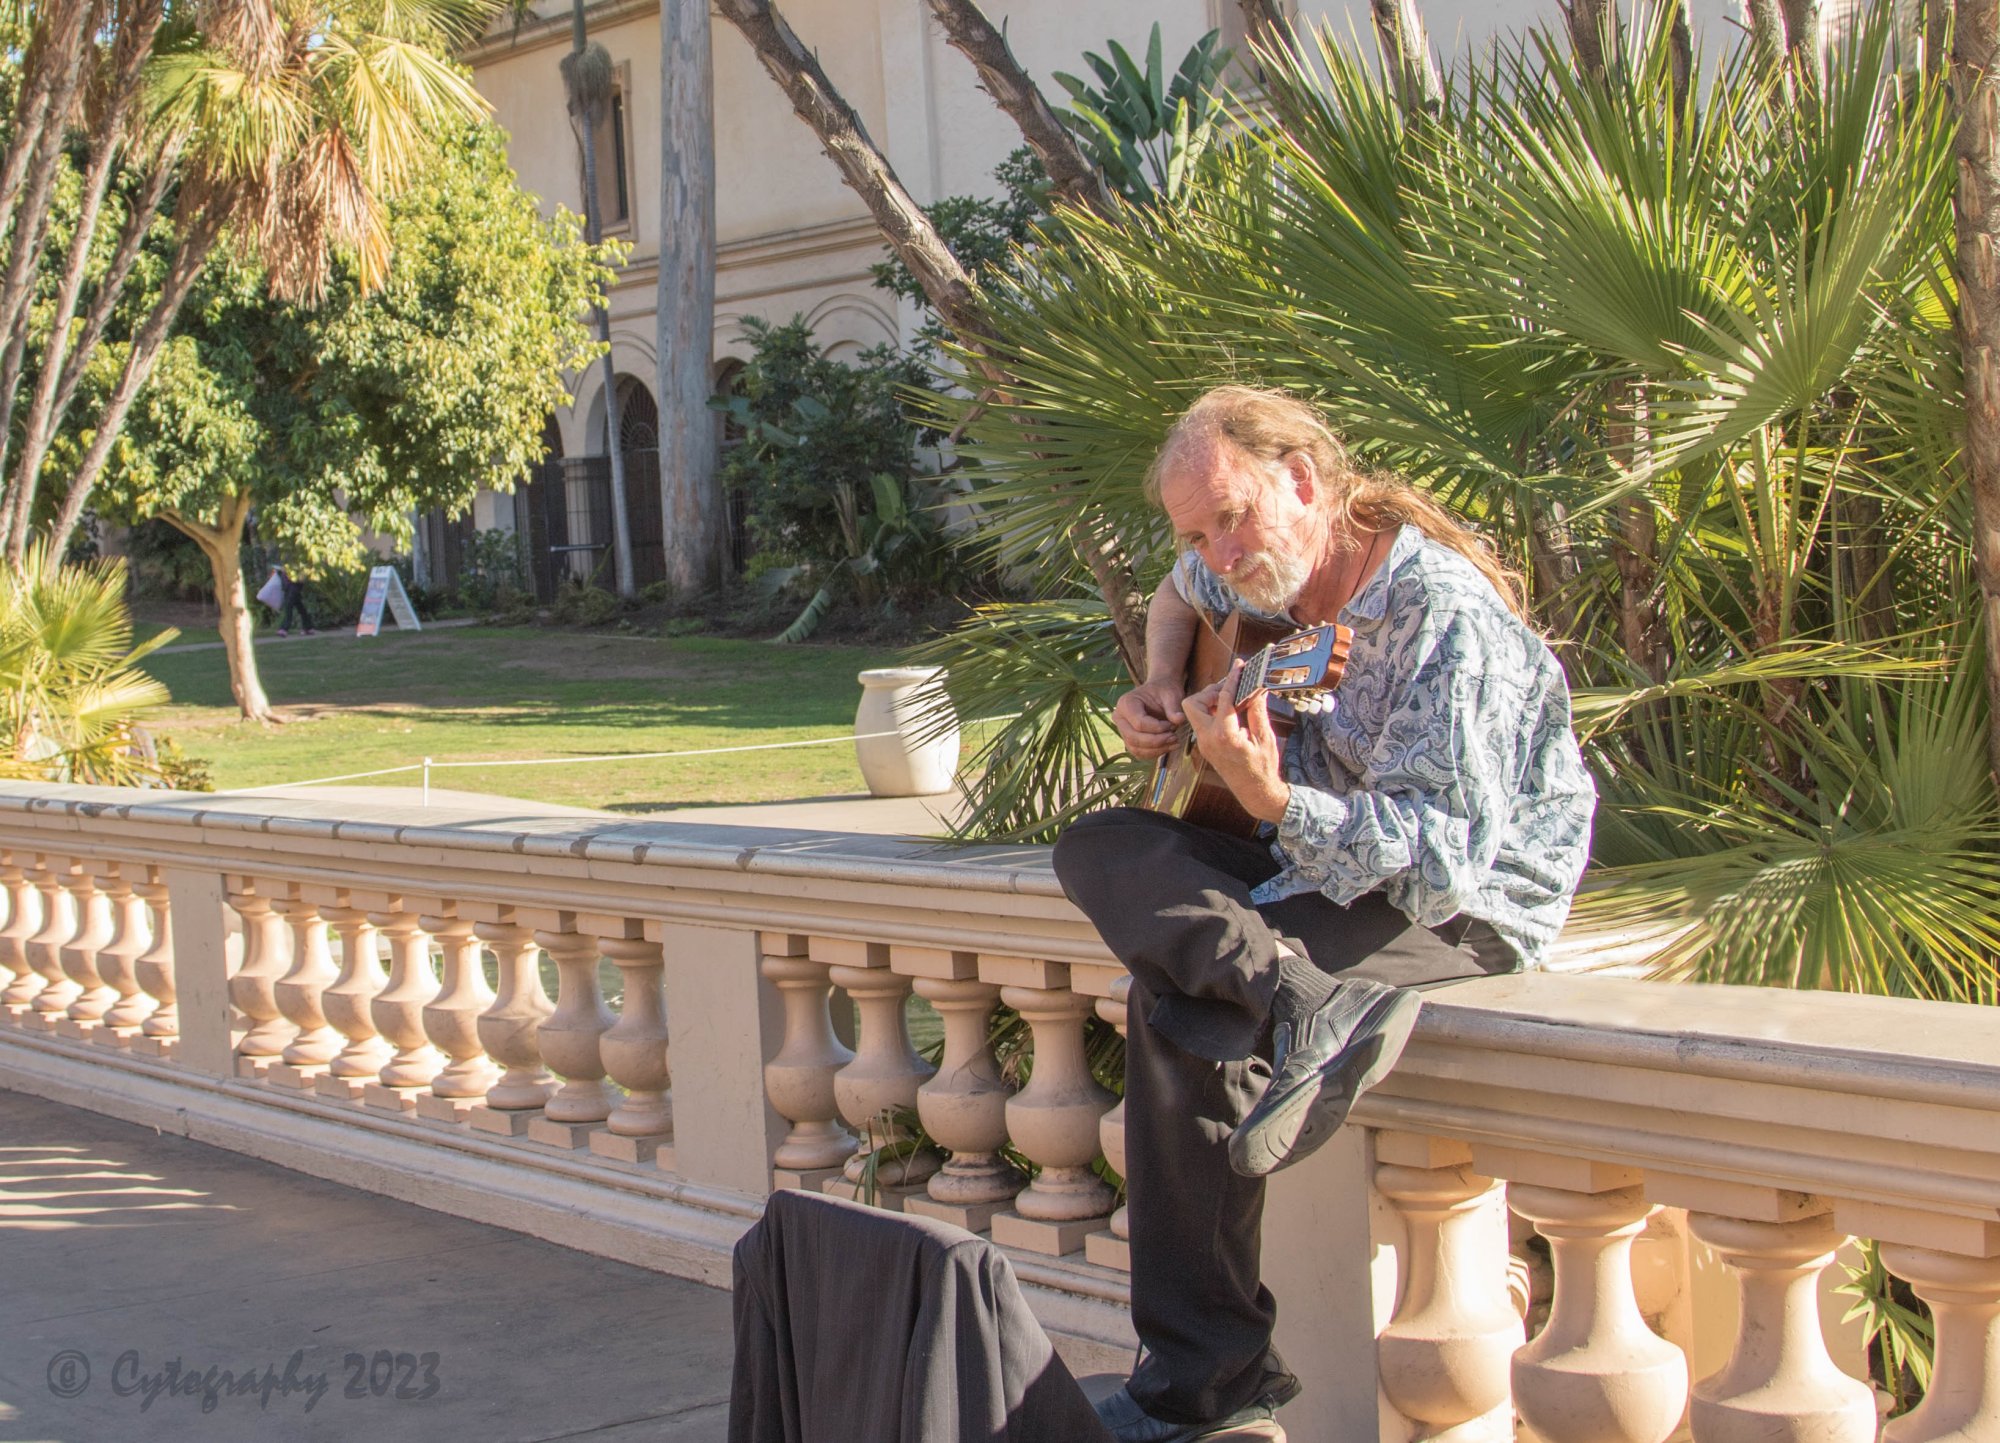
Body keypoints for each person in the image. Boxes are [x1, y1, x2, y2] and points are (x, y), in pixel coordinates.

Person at [1052, 386, 1595, 1443]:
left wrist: (1269, 801)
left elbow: (1441, 866)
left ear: (1302, 479)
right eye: (1195, 530)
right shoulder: (1246, 562)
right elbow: (1176, 593)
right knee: (1099, 845)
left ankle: (1204, 1388)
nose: (1217, 552)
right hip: (1316, 870)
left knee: (1175, 1007)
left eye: (1231, 517)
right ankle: (1298, 999)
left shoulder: (1442, 615)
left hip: (1465, 905)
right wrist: (1160, 684)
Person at [273, 564, 316, 638]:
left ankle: (284, 629)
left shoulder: (290, 574)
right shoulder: (292, 573)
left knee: (289, 611)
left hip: (291, 593)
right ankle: (308, 627)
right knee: (301, 610)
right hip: (295, 592)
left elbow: (287, 584)